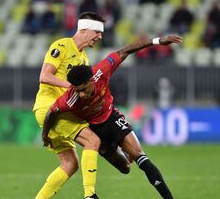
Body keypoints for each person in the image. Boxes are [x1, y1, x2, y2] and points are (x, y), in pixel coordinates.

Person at [42, 35, 182, 199]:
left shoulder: (100, 71)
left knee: (141, 158)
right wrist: (45, 135)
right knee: (125, 168)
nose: (80, 94)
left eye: (83, 89)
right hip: (96, 130)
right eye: (76, 90)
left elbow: (126, 50)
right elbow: (51, 112)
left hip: (112, 119)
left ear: (91, 80)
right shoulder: (69, 99)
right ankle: (120, 150)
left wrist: (157, 41)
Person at [33, 12, 123, 199]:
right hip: (50, 107)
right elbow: (45, 76)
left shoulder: (84, 60)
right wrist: (72, 87)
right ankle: (90, 195)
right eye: (97, 31)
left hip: (62, 112)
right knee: (92, 141)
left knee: (70, 164)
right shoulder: (62, 45)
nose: (100, 36)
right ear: (83, 29)